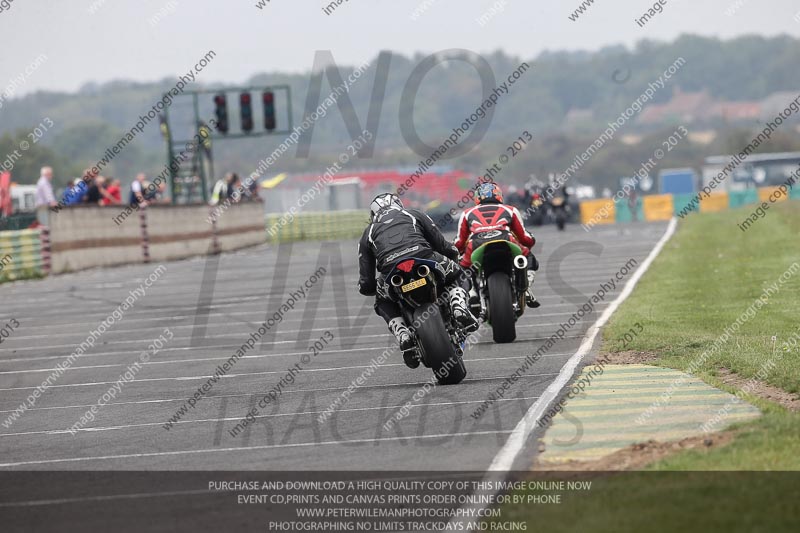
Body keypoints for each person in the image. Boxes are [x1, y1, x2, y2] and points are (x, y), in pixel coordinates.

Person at [358, 193, 478, 368]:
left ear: (373, 213)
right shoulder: (414, 214)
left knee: (383, 302)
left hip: (391, 271)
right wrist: (453, 255)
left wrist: (368, 288)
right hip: (424, 258)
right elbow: (440, 243)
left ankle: (403, 334)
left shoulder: (367, 233)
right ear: (398, 204)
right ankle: (458, 304)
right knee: (459, 274)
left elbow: (366, 279)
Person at [454, 182, 540, 308]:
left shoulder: (466, 213)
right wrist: (531, 241)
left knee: (461, 266)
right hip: (506, 240)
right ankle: (525, 287)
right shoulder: (510, 210)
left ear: (477, 197)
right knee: (530, 258)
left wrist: (456, 251)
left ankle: (472, 292)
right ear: (499, 195)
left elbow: (460, 242)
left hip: (476, 244)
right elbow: (524, 237)